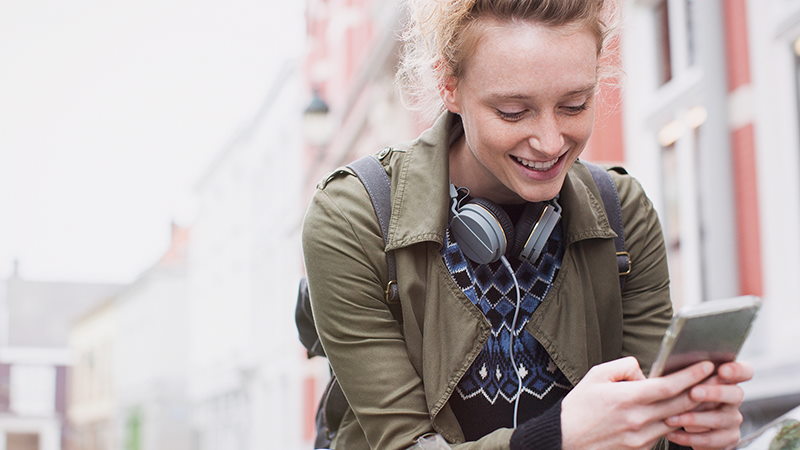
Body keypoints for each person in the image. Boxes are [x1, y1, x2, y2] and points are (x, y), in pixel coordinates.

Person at [301, 0, 752, 449]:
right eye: (513, 112)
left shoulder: (622, 211)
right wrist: (555, 437)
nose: (551, 141)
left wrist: (690, 434)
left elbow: (646, 427)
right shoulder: (354, 217)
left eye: (575, 105)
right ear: (449, 84)